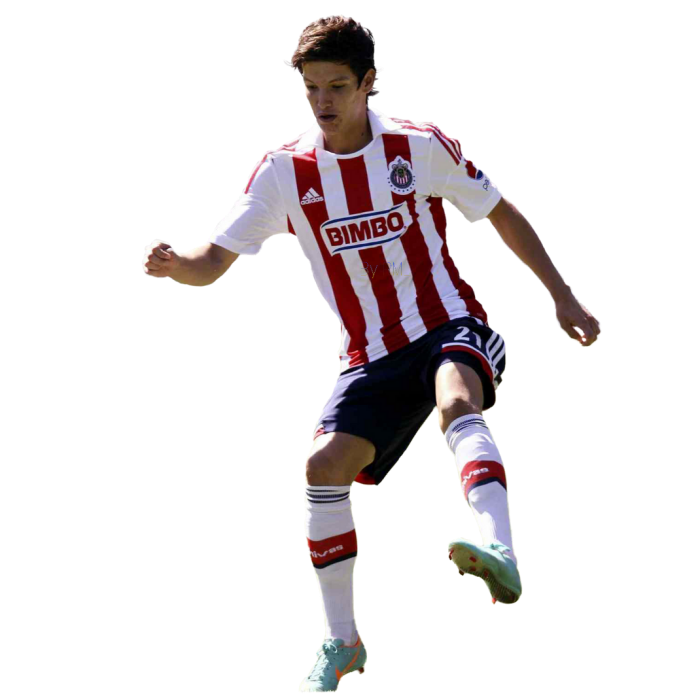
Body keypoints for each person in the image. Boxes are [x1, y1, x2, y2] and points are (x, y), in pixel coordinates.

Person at [141, 14, 602, 694]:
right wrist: (175, 263)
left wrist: (563, 297)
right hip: (369, 354)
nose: (321, 101)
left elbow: (500, 211)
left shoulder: (417, 146)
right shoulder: (285, 172)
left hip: (447, 322)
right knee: (322, 466)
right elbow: (214, 260)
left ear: (369, 83)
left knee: (456, 400)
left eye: (336, 86)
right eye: (310, 86)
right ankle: (342, 642)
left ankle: (500, 549)